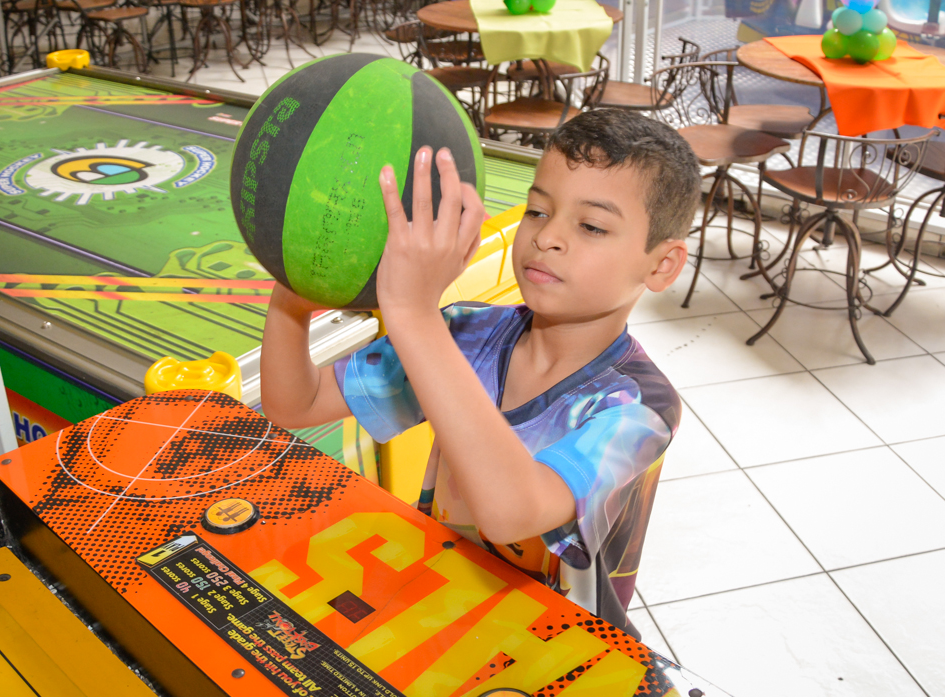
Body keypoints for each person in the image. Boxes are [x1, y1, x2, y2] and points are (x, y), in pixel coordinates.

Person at [260, 109, 702, 637]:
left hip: (560, 647)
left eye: (590, 225)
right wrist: (290, 288)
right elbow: (296, 405)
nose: (547, 237)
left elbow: (514, 512)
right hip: (444, 608)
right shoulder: (465, 334)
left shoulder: (638, 407)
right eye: (538, 211)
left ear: (661, 265)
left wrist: (412, 315)